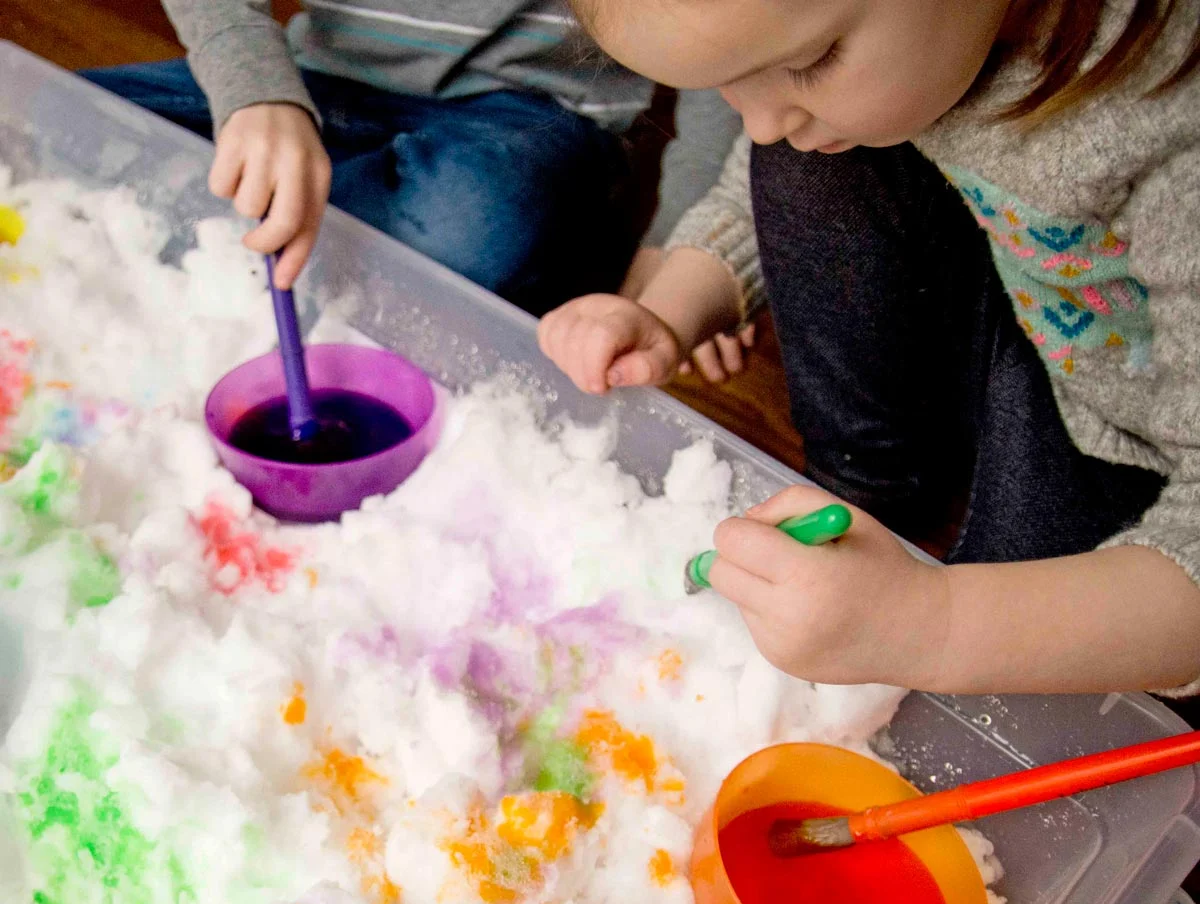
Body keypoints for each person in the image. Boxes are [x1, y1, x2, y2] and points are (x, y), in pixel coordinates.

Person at [538, 0, 1200, 699]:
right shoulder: (925, 43)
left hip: (1139, 444)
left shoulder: (1172, 132)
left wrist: (930, 625)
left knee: (1026, 671)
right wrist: (670, 310)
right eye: (729, 82)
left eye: (808, 63)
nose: (760, 121)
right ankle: (869, 493)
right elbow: (755, 164)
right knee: (812, 149)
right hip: (1048, 313)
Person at [81, 0, 746, 333]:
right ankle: (319, 222)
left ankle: (247, 225)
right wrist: (254, 92)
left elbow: (724, 52)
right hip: (314, 77)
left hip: (531, 117)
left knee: (475, 223)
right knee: (61, 119)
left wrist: (678, 250)